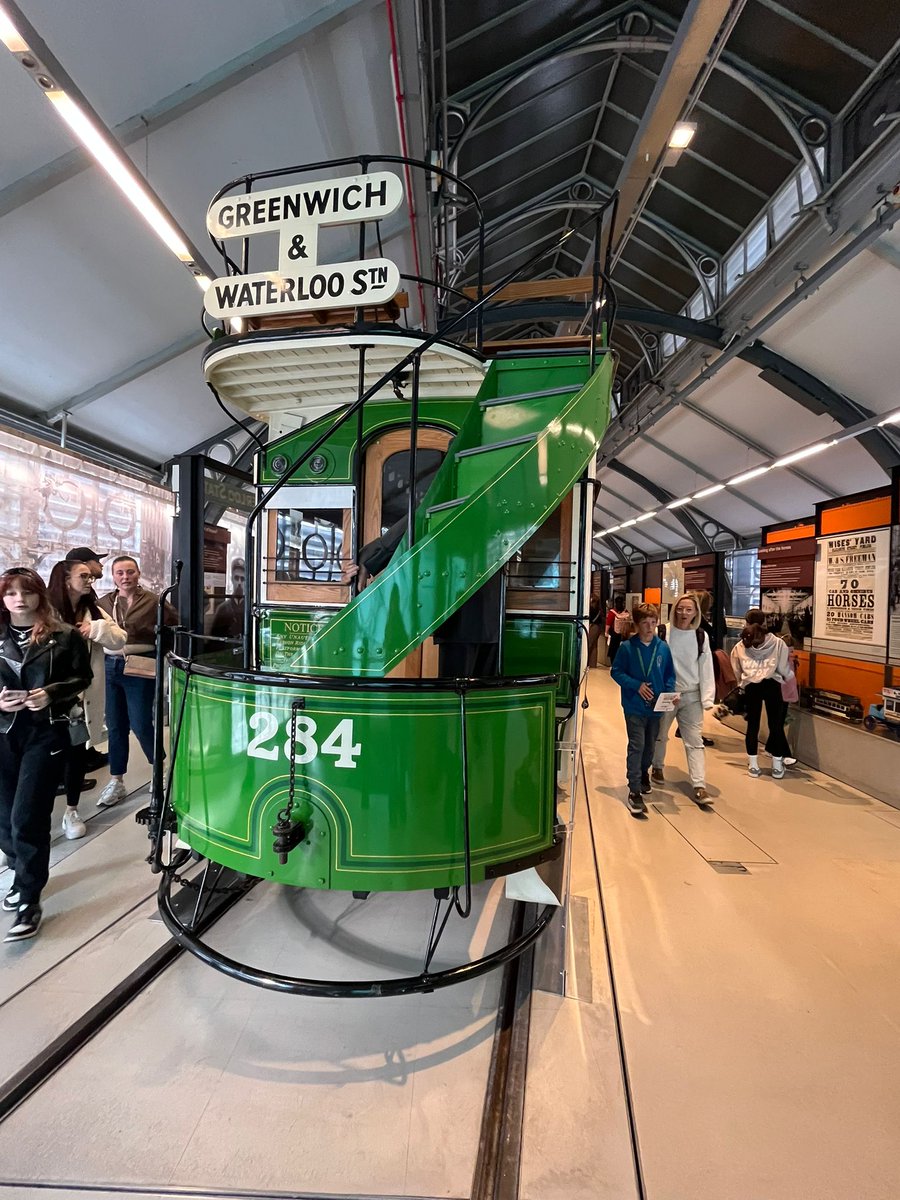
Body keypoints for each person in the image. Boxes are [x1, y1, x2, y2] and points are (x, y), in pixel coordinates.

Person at [0, 568, 92, 941]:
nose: (19, 599)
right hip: (3, 733)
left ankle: (28, 895)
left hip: (45, 732)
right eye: (10, 593)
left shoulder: (64, 635)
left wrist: (51, 692)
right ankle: (21, 867)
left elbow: (82, 677)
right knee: (4, 815)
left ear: (40, 594)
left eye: (26, 592)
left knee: (28, 813)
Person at [46, 559, 127, 839]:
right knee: (47, 757)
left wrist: (94, 630)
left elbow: (119, 638)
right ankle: (36, 818)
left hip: (80, 696)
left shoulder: (93, 609)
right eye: (84, 576)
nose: (90, 580)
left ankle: (71, 811)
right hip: (49, 695)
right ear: (66, 579)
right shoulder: (46, 610)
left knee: (76, 753)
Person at [96, 556, 177, 808]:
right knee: (115, 724)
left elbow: (172, 628)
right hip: (110, 666)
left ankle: (158, 768)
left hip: (140, 664)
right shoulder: (103, 603)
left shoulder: (155, 601)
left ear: (138, 573)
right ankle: (117, 780)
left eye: (130, 571)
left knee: (141, 722)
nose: (125, 577)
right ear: (113, 575)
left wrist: (160, 654)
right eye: (119, 572)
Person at [611, 602, 677, 818]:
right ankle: (634, 788)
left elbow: (669, 675)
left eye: (653, 623)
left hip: (657, 707)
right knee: (637, 745)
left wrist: (668, 693)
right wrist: (635, 685)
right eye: (644, 623)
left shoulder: (663, 648)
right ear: (636, 625)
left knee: (650, 746)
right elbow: (616, 672)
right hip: (634, 706)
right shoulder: (627, 649)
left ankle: (644, 773)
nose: (649, 627)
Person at [651, 593, 716, 805]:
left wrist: (707, 699)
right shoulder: (663, 632)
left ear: (696, 612)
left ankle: (699, 785)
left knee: (694, 741)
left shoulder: (700, 636)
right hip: (668, 694)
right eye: (680, 609)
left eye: (688, 609)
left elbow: (706, 667)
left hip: (692, 695)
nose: (683, 613)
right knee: (660, 734)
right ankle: (657, 766)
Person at [730, 615, 794, 779]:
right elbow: (783, 668)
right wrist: (789, 676)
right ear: (765, 623)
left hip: (751, 686)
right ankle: (777, 767)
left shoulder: (741, 645)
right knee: (776, 726)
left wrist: (742, 683)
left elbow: (736, 669)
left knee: (753, 726)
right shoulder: (778, 643)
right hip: (773, 685)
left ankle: (753, 765)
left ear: (747, 623)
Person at [64, 548, 109, 772]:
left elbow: (117, 635)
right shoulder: (53, 607)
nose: (100, 567)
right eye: (96, 562)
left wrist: (96, 628)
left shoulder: (91, 602)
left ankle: (84, 757)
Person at [209, 557, 245, 639]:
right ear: (232, 579)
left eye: (242, 579)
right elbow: (215, 638)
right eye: (236, 578)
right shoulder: (223, 608)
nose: (239, 582)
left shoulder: (251, 608)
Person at [606, 593, 630, 665]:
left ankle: (613, 664)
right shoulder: (626, 612)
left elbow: (608, 623)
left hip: (615, 634)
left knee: (613, 650)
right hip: (624, 634)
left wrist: (606, 632)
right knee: (623, 649)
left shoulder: (612, 612)